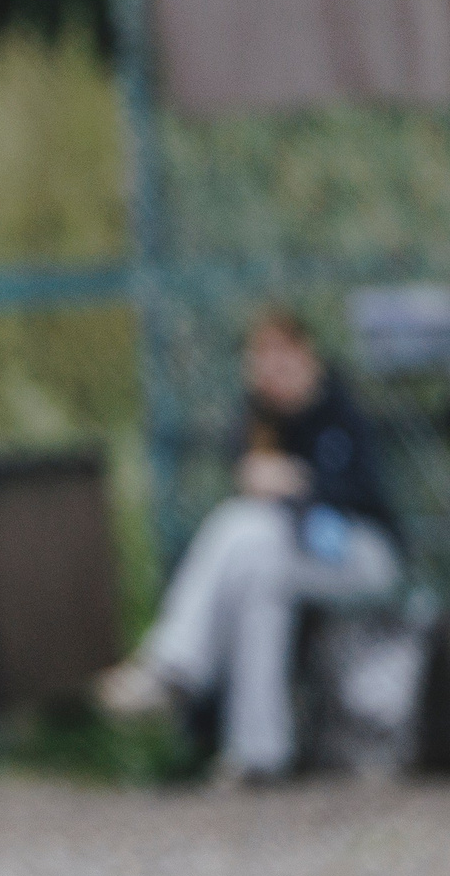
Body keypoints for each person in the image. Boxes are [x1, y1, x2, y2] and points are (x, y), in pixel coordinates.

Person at [98, 308, 403, 782]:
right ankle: (260, 754)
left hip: (363, 555)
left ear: (309, 357)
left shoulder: (342, 413)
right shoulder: (256, 423)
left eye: (285, 358)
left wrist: (302, 484)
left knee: (240, 527)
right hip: (286, 558)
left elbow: (362, 497)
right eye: (264, 360)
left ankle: (175, 664)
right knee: (258, 584)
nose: (275, 372)